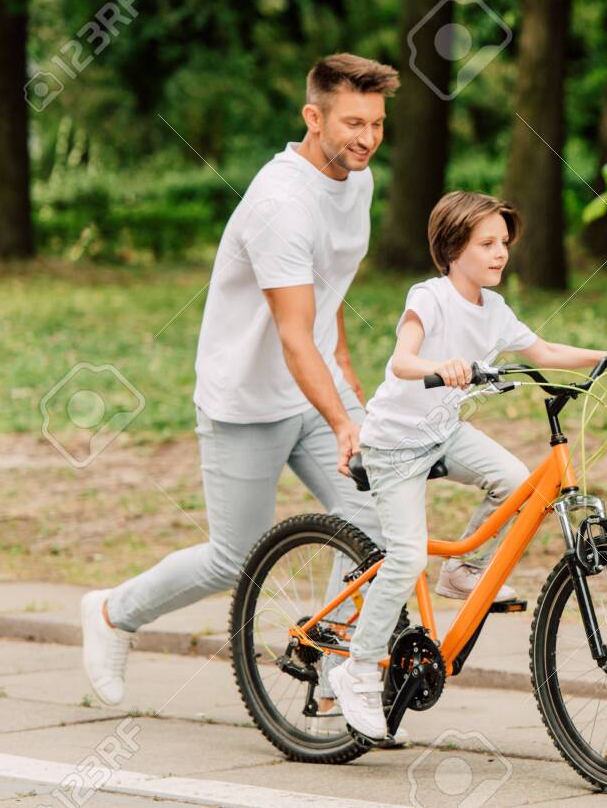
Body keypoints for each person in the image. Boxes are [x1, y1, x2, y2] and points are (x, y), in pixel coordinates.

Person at [81, 54, 399, 709]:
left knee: (374, 522)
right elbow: (290, 331)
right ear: (313, 118)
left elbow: (328, 289)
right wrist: (344, 420)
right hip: (246, 400)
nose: (366, 138)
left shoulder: (357, 182)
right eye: (351, 122)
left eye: (376, 123)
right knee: (235, 557)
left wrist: (347, 386)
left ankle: (339, 659)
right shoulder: (280, 202)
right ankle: (113, 612)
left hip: (312, 388)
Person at [327, 190, 607, 740]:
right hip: (396, 443)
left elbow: (540, 352)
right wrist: (441, 367)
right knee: (403, 559)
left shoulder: (495, 310)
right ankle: (356, 669)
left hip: (444, 433)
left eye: (504, 243)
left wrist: (603, 355)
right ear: (453, 248)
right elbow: (401, 361)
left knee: (520, 484)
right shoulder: (429, 297)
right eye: (487, 243)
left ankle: (462, 570)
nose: (501, 254)